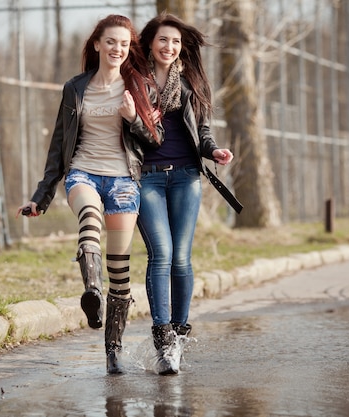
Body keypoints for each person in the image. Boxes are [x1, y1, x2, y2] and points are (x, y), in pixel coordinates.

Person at [17, 14, 162, 374]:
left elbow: (155, 139)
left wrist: (132, 118)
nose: (117, 49)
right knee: (88, 218)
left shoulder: (139, 87)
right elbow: (58, 146)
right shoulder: (75, 88)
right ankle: (92, 291)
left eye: (124, 44)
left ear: (130, 50)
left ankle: (113, 348)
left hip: (124, 181)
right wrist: (42, 196)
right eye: (111, 41)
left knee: (121, 270)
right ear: (97, 44)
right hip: (83, 171)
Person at [137, 12, 242, 375]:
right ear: (150, 42)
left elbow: (203, 130)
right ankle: (163, 340)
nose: (170, 47)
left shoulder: (192, 80)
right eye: (163, 40)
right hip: (146, 178)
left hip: (186, 178)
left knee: (181, 258)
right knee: (160, 254)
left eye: (176, 42)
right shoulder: (134, 79)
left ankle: (180, 336)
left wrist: (214, 151)